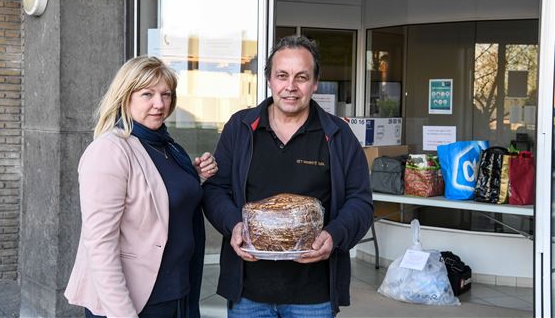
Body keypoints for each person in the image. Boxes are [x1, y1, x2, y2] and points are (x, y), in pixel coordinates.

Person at [202, 35, 373, 317]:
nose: (290, 87)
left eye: (301, 77)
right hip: (248, 293)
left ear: (315, 83)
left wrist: (334, 235)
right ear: (269, 79)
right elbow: (215, 189)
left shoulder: (338, 136)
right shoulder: (241, 127)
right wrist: (233, 225)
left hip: (313, 296)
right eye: (282, 76)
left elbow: (360, 202)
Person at [64, 56, 217, 318]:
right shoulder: (109, 150)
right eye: (147, 94)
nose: (160, 104)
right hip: (135, 301)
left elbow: (161, 198)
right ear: (125, 96)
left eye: (166, 94)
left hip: (177, 290)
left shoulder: (167, 146)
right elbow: (100, 244)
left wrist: (195, 178)